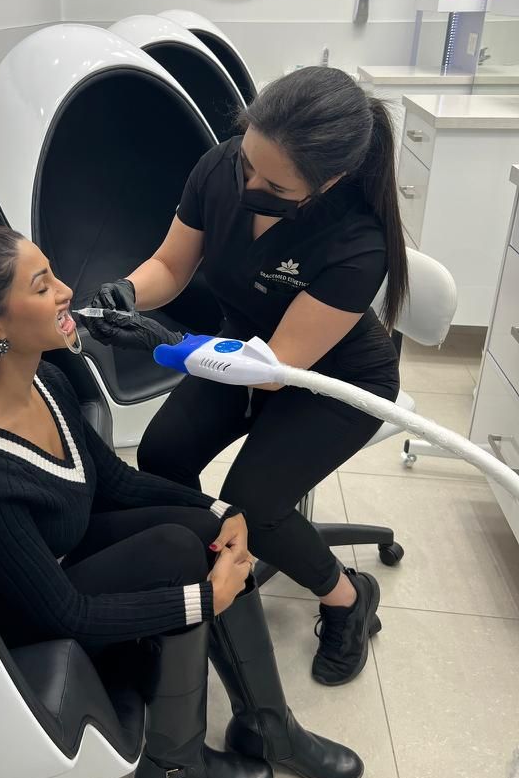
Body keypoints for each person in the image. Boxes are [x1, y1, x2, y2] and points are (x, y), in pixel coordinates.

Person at [0, 220, 363, 778]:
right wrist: (206, 599)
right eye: (41, 287)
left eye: (54, 275)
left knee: (201, 533)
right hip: (26, 615)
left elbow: (113, 481)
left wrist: (222, 510)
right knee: (180, 559)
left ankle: (268, 727)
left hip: (65, 559)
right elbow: (64, 610)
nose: (65, 292)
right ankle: (174, 771)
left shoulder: (47, 380)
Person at [83, 66, 407, 687]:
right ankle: (194, 569)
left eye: (273, 183)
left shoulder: (356, 244)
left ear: (328, 182)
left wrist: (173, 346)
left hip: (330, 380)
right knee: (162, 455)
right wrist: (130, 290)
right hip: (239, 350)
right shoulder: (221, 166)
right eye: (247, 164)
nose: (249, 182)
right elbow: (171, 266)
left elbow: (275, 372)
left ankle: (347, 598)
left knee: (257, 505)